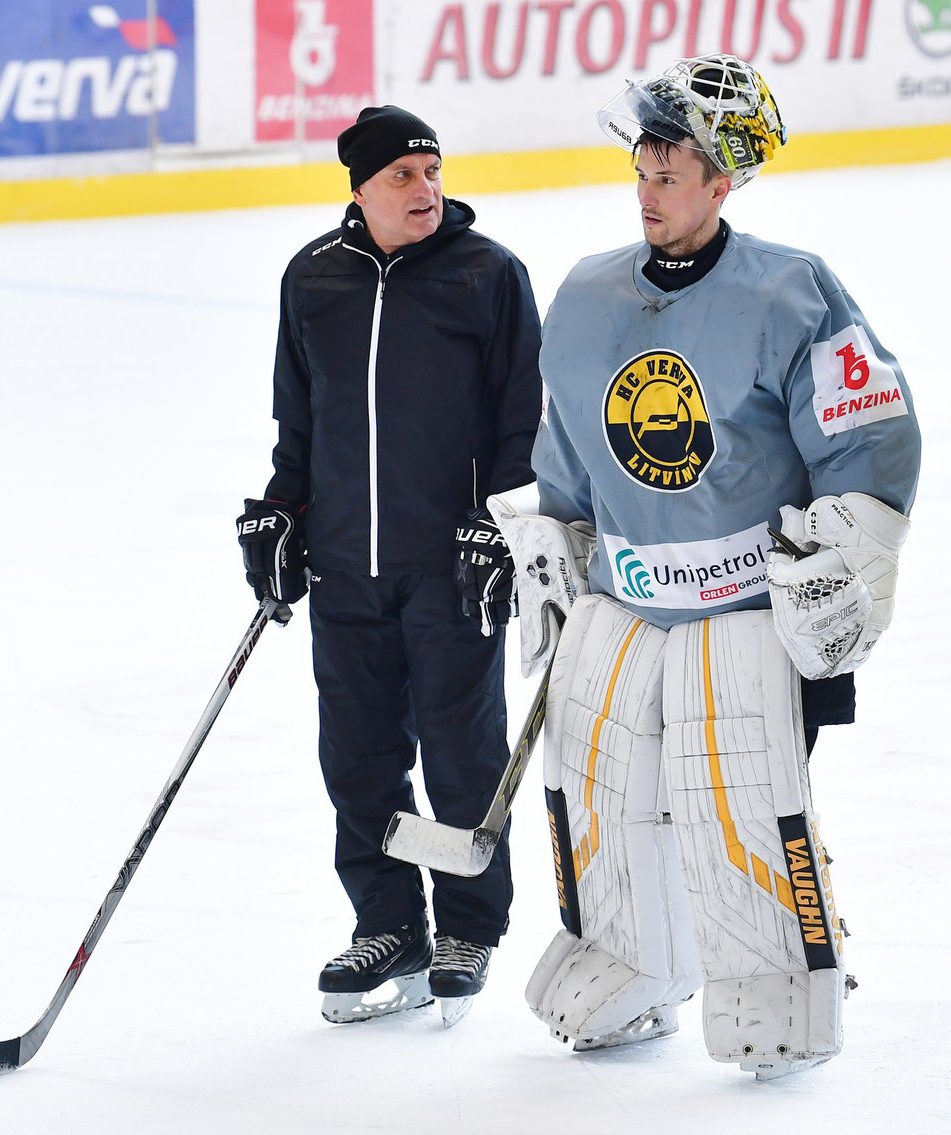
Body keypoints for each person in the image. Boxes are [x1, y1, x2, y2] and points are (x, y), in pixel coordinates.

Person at [496, 55, 920, 1078]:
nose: (646, 193)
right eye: (641, 169)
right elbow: (571, 445)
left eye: (670, 175)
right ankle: (630, 955)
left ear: (722, 183)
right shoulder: (589, 295)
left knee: (736, 795)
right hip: (628, 598)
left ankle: (775, 972)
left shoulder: (792, 291)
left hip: (745, 610)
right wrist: (556, 542)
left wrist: (850, 551)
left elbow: (867, 435)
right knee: (590, 782)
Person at [236, 105, 543, 1026]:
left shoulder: (487, 275)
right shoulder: (314, 279)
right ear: (360, 188)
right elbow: (302, 417)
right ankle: (388, 921)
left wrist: (500, 526)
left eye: (432, 170)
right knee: (359, 759)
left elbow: (519, 422)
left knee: (461, 756)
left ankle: (466, 925)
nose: (424, 188)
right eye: (402, 175)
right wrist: (282, 511)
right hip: (343, 570)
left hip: (452, 565)